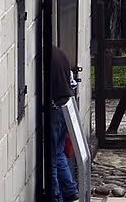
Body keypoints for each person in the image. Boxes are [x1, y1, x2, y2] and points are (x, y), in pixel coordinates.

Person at [50, 46, 79, 202]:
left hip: (54, 108)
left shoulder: (45, 57)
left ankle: (56, 197)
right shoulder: (61, 53)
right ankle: (70, 190)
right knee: (59, 153)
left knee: (51, 160)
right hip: (65, 106)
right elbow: (72, 82)